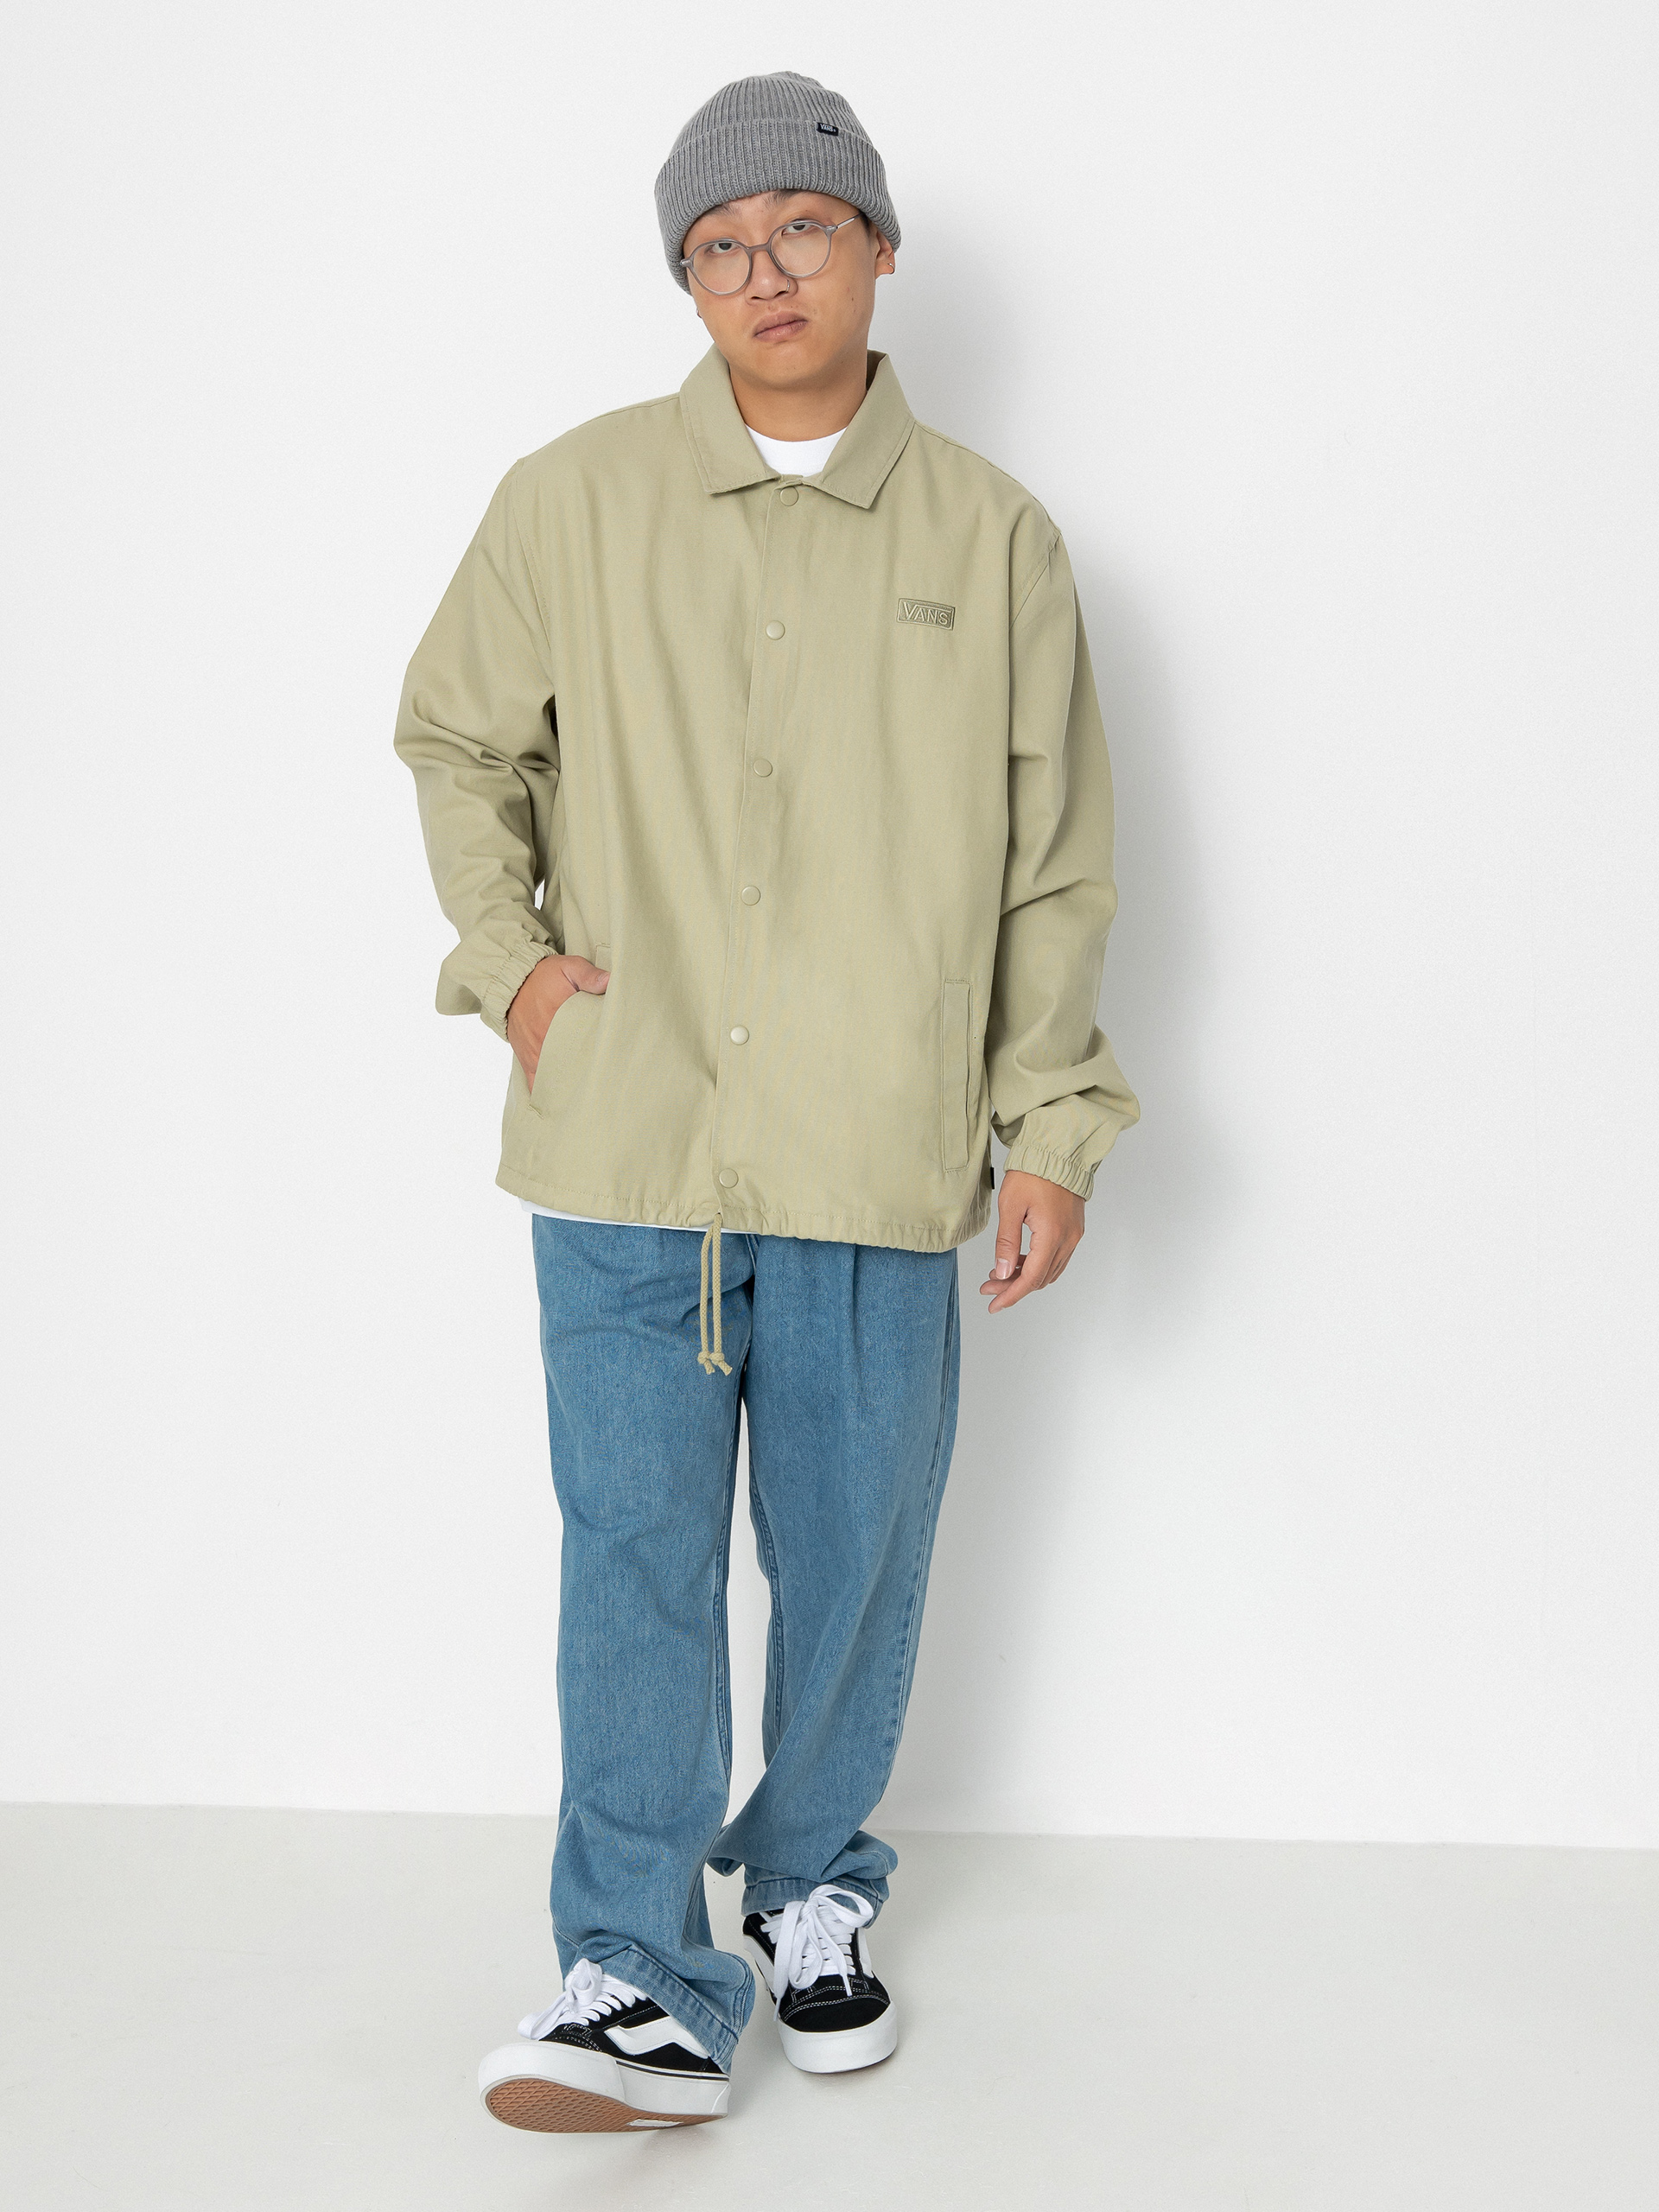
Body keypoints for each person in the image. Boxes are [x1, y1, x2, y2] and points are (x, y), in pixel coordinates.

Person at [394, 69, 1138, 2134]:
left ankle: (812, 1882)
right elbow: (458, 739)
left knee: (857, 1550)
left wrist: (1052, 1120)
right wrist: (516, 967)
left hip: (874, 1150)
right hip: (626, 1142)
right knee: (630, 1556)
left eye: (802, 228)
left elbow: (1055, 860)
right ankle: (631, 1970)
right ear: (688, 279)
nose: (763, 273)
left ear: (877, 247)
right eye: (718, 246)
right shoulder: (571, 500)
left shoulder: (992, 537)